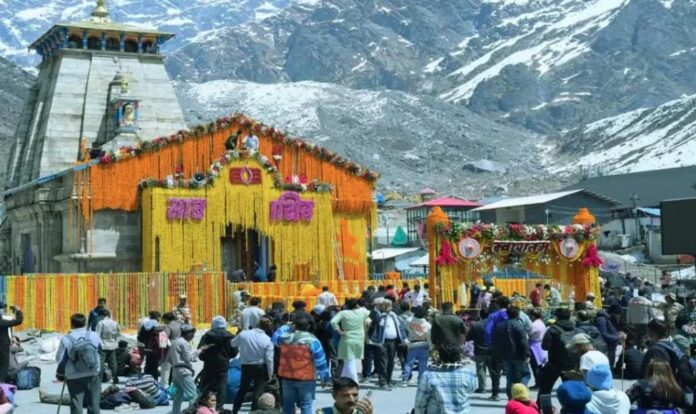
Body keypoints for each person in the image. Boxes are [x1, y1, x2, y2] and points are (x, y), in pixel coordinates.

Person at [277, 312, 330, 414]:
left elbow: (274, 337)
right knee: (306, 404)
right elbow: (320, 361)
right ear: (309, 326)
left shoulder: (284, 338)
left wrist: (286, 327)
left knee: (287, 404)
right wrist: (324, 378)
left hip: (287, 377)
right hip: (306, 378)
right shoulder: (313, 340)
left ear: (294, 325)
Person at [55, 313, 102, 414]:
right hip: (93, 372)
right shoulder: (94, 335)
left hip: (73, 375)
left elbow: (59, 359)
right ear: (85, 323)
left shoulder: (66, 338)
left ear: (72, 323)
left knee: (76, 403)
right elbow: (100, 351)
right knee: (94, 403)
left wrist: (61, 373)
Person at [413, 344, 478, 414]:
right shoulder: (468, 374)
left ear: (440, 356)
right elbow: (472, 388)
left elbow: (420, 401)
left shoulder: (429, 375)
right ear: (459, 357)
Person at [231, 318, 275, 414]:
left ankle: (235, 410)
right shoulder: (267, 340)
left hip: (246, 366)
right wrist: (270, 373)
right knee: (257, 392)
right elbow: (269, 359)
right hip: (260, 366)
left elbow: (233, 344)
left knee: (242, 389)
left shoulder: (244, 334)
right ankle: (254, 411)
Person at [537, 308, 578, 403]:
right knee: (571, 390)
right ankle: (571, 408)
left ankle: (542, 407)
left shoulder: (552, 329)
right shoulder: (576, 329)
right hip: (570, 365)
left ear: (556, 317)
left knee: (545, 389)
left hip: (554, 364)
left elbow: (544, 346)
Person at [198, 316, 238, 412]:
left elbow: (200, 350)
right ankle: (219, 406)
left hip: (209, 363)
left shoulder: (207, 335)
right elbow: (234, 352)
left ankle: (205, 404)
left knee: (207, 384)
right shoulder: (230, 336)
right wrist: (227, 357)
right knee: (222, 385)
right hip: (223, 363)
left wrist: (205, 358)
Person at [367, 299, 408, 390]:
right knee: (383, 362)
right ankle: (383, 383)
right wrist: (377, 307)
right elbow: (373, 318)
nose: (389, 307)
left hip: (393, 342)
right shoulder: (379, 316)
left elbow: (400, 327)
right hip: (382, 342)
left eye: (389, 305)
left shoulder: (394, 316)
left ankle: (388, 381)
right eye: (386, 305)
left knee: (391, 362)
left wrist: (404, 339)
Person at [642, 319, 695, 388]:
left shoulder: (654, 350)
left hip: (664, 388)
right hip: (676, 386)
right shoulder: (672, 345)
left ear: (651, 332)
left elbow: (648, 374)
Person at [170, 324, 211, 414]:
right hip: (184, 372)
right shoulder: (183, 343)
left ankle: (175, 412)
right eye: (193, 334)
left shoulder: (175, 342)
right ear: (189, 333)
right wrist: (200, 350)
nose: (193, 337)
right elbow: (189, 358)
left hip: (175, 371)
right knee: (193, 395)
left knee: (178, 395)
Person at [492, 306, 531, 398]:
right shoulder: (518, 325)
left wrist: (498, 354)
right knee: (525, 374)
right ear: (518, 314)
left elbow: (496, 341)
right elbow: (523, 342)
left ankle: (510, 396)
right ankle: (521, 393)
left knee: (510, 376)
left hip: (506, 355)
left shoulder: (500, 325)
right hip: (519, 355)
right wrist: (527, 354)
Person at [330, 298, 371, 382]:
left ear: (346, 305)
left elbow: (333, 322)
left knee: (349, 361)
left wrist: (339, 331)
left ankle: (354, 382)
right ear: (356, 305)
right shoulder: (362, 312)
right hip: (359, 339)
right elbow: (370, 314)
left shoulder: (343, 313)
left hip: (347, 338)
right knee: (350, 361)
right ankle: (343, 381)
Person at [401, 306, 431, 386]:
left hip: (413, 344)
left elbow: (405, 328)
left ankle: (405, 379)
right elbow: (429, 336)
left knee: (409, 362)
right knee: (423, 363)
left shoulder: (408, 321)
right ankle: (421, 380)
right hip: (424, 344)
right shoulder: (427, 325)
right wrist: (431, 348)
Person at [95, 308, 120, 384]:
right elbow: (118, 334)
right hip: (113, 345)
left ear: (102, 315)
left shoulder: (101, 323)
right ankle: (115, 378)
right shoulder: (115, 323)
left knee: (101, 362)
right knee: (113, 362)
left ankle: (100, 378)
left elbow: (97, 335)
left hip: (103, 345)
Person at [595, 304, 624, 368]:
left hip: (612, 345)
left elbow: (612, 330)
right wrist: (617, 337)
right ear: (614, 312)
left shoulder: (612, 318)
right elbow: (603, 334)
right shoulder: (601, 319)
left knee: (611, 364)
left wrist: (619, 333)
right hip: (605, 347)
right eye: (619, 314)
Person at [0, 304, 23, 383]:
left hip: (4, 345)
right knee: (4, 366)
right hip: (3, 347)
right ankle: (1, 383)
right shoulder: (2, 322)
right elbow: (18, 321)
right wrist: (18, 311)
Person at [137, 311, 161, 380]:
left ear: (150, 317)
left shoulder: (145, 325)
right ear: (158, 317)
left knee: (148, 364)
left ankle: (147, 380)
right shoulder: (158, 326)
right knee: (155, 365)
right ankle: (154, 380)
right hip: (156, 348)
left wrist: (146, 342)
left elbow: (140, 338)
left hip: (147, 347)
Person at [161, 311, 182, 386]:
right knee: (177, 367)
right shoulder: (179, 325)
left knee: (165, 368)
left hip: (169, 347)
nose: (163, 322)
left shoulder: (168, 327)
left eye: (164, 320)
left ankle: (165, 386)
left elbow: (164, 340)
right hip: (179, 346)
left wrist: (162, 351)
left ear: (167, 319)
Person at [527, 308, 546, 388]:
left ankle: (538, 382)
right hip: (540, 345)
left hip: (534, 346)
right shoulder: (542, 323)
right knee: (539, 365)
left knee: (535, 365)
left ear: (533, 316)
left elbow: (529, 334)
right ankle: (540, 382)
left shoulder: (534, 325)